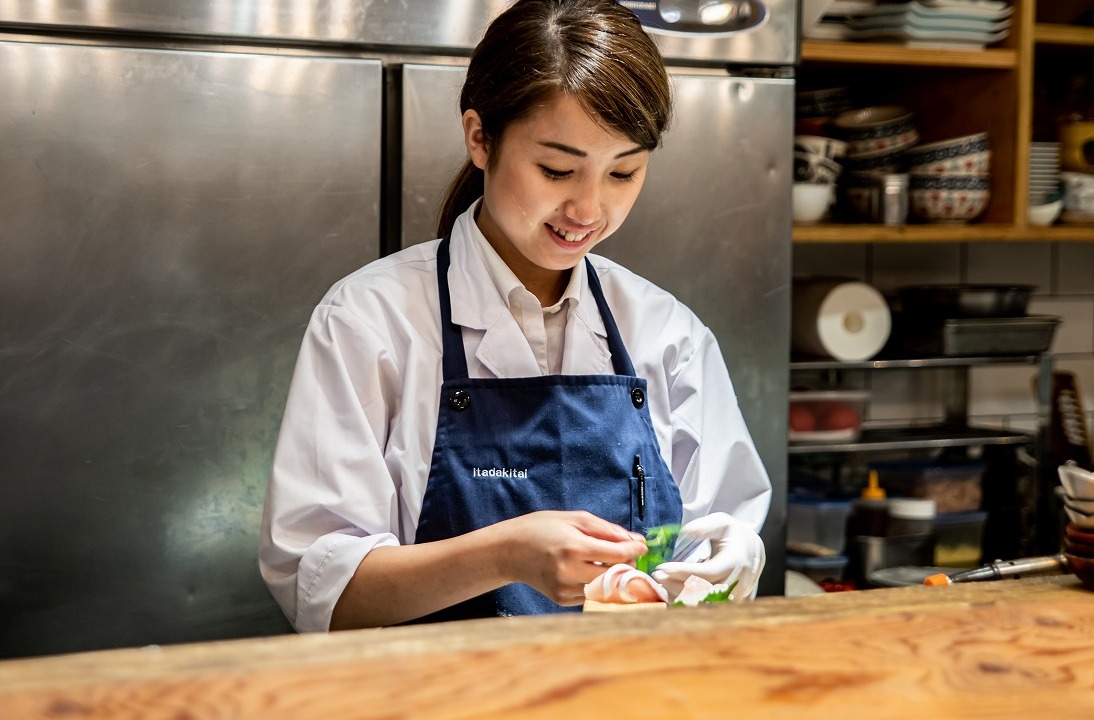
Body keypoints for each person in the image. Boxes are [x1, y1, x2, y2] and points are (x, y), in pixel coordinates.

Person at [259, 0, 771, 632]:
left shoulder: (669, 336)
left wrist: (728, 562)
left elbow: (714, 537)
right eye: (557, 169)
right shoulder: (371, 321)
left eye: (624, 172)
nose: (589, 208)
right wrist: (505, 554)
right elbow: (322, 591)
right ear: (480, 137)